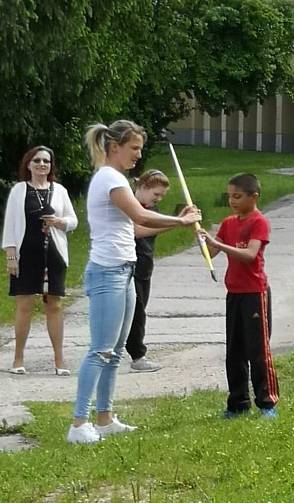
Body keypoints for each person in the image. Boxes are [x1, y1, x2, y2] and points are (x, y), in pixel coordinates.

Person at [68, 120, 201, 445]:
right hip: (107, 272)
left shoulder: (119, 178)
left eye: (140, 149)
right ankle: (78, 423)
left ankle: (105, 418)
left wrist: (176, 224)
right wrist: (181, 220)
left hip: (124, 270)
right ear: (114, 147)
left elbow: (136, 230)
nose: (138, 156)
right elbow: (141, 216)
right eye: (134, 149)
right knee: (100, 349)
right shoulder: (109, 178)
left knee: (114, 353)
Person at [200, 173, 279, 419]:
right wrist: (201, 237)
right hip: (234, 293)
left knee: (258, 351)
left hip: (254, 293)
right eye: (230, 196)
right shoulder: (228, 223)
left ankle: (267, 403)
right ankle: (237, 404)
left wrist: (219, 244)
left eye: (238, 196)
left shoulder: (259, 222)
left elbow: (250, 255)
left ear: (253, 196)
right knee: (234, 352)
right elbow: (210, 255)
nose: (232, 201)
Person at [2, 146, 78, 375]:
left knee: (53, 305)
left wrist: (58, 221)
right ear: (29, 164)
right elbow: (10, 225)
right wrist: (11, 256)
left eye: (46, 161)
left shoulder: (60, 190)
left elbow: (73, 221)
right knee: (24, 305)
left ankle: (59, 360)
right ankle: (18, 359)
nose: (42, 164)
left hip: (52, 253)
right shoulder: (19, 190)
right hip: (26, 253)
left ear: (51, 166)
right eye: (37, 160)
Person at [126, 170, 172, 372]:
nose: (158, 199)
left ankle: (128, 350)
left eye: (162, 196)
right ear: (143, 187)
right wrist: (174, 223)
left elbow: (157, 222)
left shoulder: (150, 208)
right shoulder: (130, 205)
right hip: (129, 265)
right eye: (156, 194)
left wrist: (181, 218)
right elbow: (137, 231)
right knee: (134, 312)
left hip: (145, 266)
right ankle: (137, 356)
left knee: (139, 308)